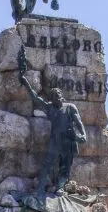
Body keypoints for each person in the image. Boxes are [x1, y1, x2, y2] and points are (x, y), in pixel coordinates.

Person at [18, 48, 86, 193]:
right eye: (54, 97)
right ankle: (41, 187)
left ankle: (61, 187)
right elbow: (36, 98)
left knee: (65, 166)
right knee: (48, 164)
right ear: (53, 99)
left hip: (68, 140)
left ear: (61, 97)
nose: (57, 98)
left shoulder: (70, 108)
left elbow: (79, 125)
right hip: (55, 140)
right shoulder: (50, 108)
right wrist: (25, 82)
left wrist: (82, 136)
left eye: (58, 96)